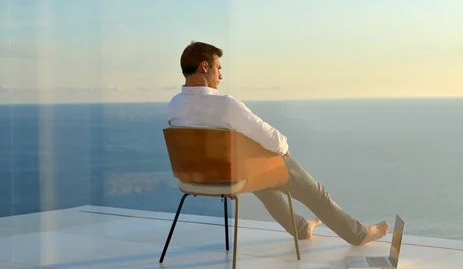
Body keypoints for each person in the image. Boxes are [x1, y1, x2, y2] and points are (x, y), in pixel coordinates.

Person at [167, 41, 389, 246]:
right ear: (204, 67)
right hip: (232, 176)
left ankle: (301, 228)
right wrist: (283, 148)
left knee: (260, 176)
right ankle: (358, 234)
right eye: (218, 68)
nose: (221, 76)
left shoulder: (175, 106)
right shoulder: (225, 104)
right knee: (315, 191)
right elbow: (264, 133)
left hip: (199, 178)